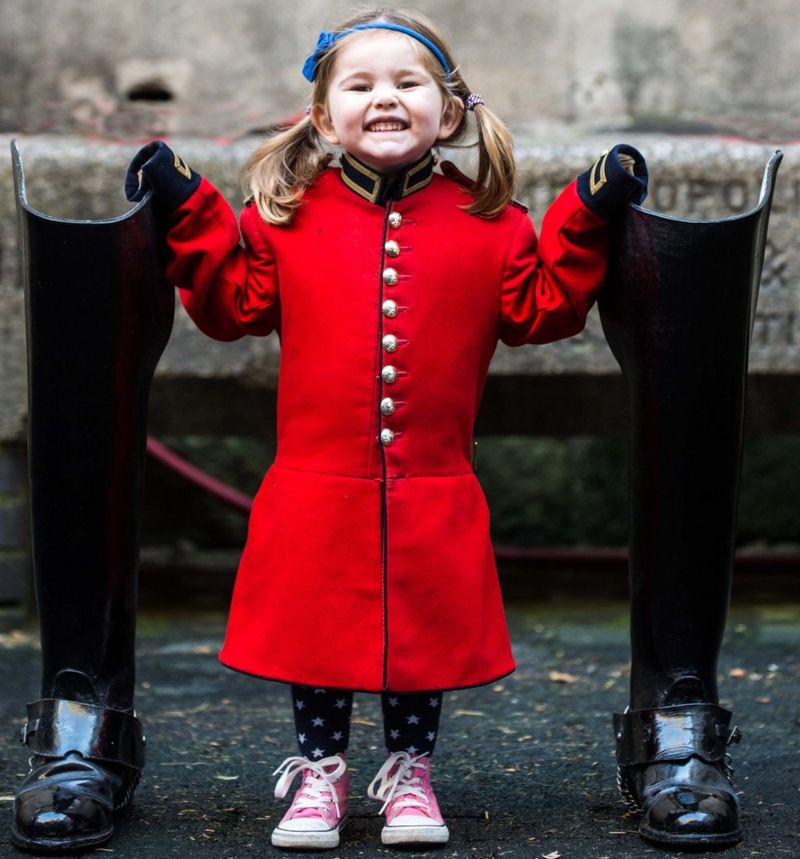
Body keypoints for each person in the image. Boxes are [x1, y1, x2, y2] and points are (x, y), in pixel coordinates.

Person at [125, 7, 647, 850]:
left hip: (433, 478)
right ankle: (320, 776)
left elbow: (542, 306)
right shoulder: (287, 214)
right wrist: (188, 200)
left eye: (409, 83)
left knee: (420, 637)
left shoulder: (494, 222)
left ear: (449, 109)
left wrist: (588, 207)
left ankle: (411, 774)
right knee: (317, 637)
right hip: (316, 478)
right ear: (324, 117)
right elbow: (230, 304)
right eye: (361, 85)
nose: (386, 98)